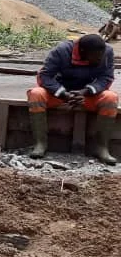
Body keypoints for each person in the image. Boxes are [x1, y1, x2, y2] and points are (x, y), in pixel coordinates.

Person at [27, 34, 118, 164]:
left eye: (101, 56)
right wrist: (63, 93)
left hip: (87, 95)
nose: (100, 60)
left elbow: (106, 78)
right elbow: (44, 76)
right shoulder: (61, 51)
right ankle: (40, 144)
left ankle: (101, 148)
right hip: (60, 93)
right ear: (82, 52)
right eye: (96, 57)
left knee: (111, 98)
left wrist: (86, 92)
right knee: (36, 93)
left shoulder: (107, 51)